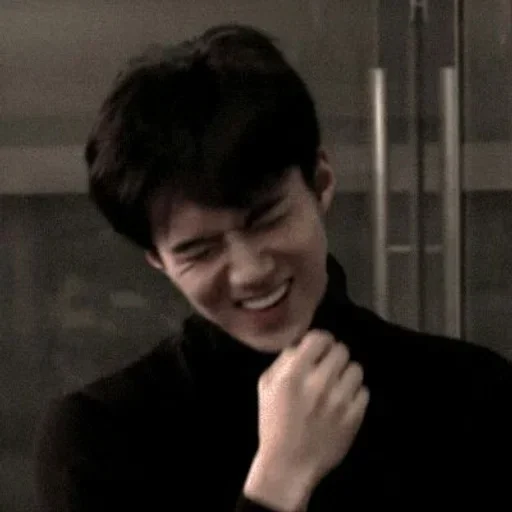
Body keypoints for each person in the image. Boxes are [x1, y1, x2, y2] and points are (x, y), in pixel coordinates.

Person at [34, 24, 512, 511]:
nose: (249, 271)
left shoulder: (473, 393)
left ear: (321, 183)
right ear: (158, 259)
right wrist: (278, 482)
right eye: (199, 250)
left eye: (265, 219)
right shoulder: (99, 437)